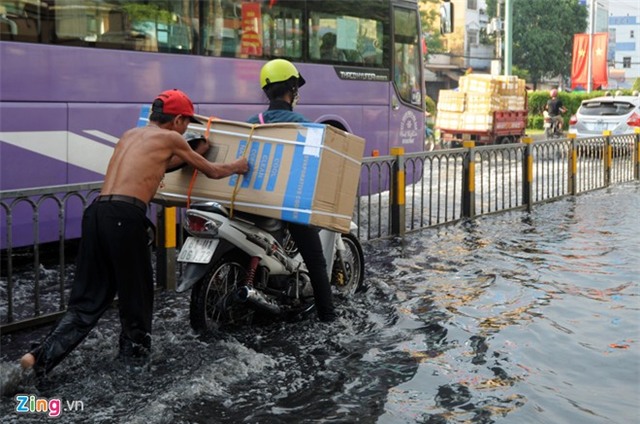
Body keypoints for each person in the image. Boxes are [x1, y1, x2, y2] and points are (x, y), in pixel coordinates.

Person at [19, 89, 249, 377]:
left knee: (87, 300)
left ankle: (37, 358)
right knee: (137, 295)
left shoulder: (130, 135)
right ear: (177, 119)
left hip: (97, 213)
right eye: (186, 123)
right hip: (125, 219)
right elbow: (213, 172)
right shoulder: (172, 138)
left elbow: (158, 166)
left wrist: (191, 153)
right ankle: (134, 366)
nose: (186, 129)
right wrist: (239, 166)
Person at [246, 59, 336, 323]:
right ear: (293, 89)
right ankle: (328, 317)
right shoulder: (303, 125)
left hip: (256, 202)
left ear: (266, 91)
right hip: (290, 204)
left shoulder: (253, 123)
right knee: (316, 261)